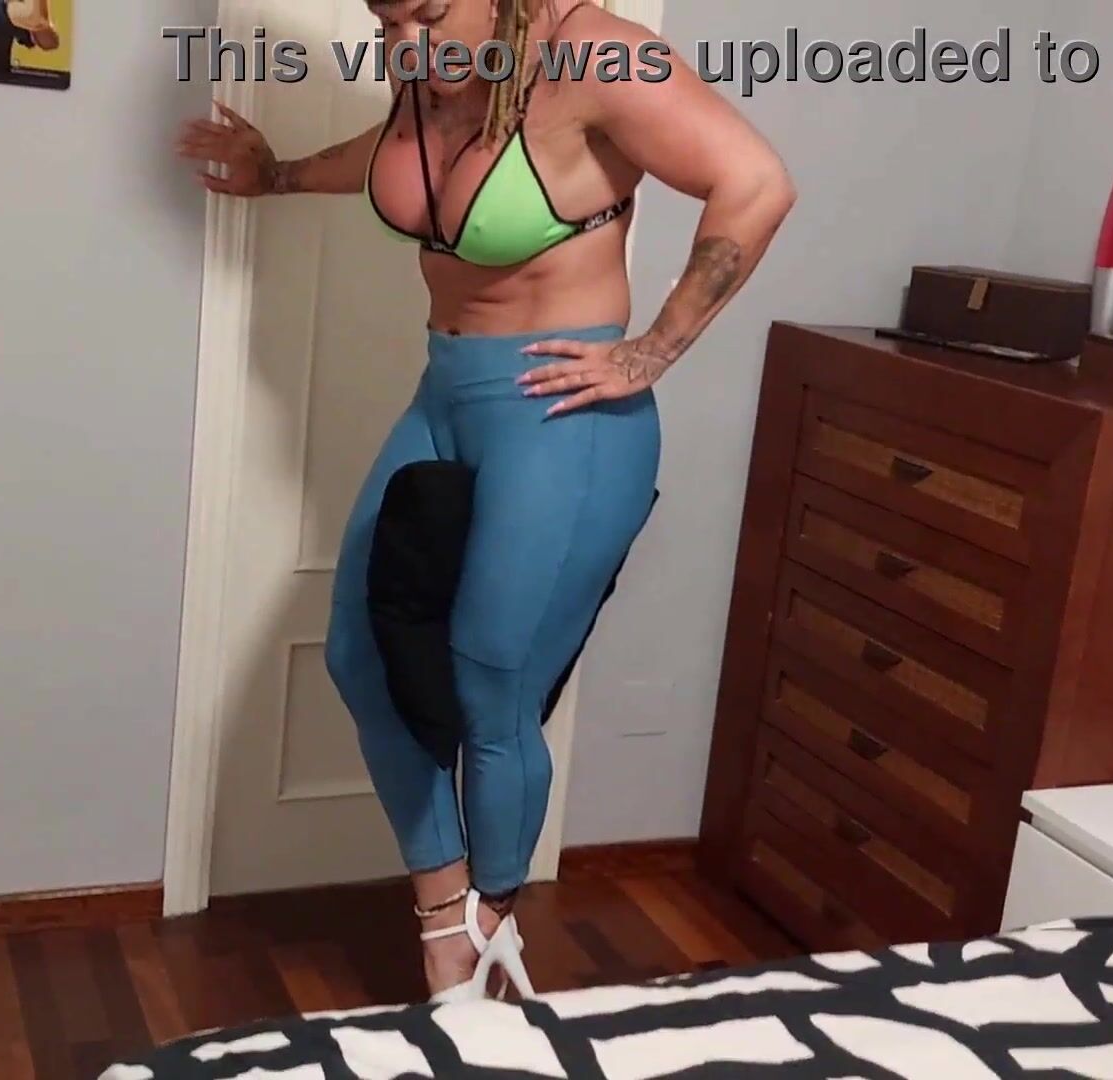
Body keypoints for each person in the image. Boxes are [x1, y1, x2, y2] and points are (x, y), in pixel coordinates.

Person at [173, 0, 794, 1003]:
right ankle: (446, 908)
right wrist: (276, 175)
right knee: (360, 656)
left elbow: (755, 181)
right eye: (385, 22)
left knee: (489, 686)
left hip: (561, 415)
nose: (404, 45)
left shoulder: (593, 56)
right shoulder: (437, 75)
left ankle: (479, 932)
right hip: (445, 395)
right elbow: (397, 155)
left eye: (426, 13)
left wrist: (650, 352)